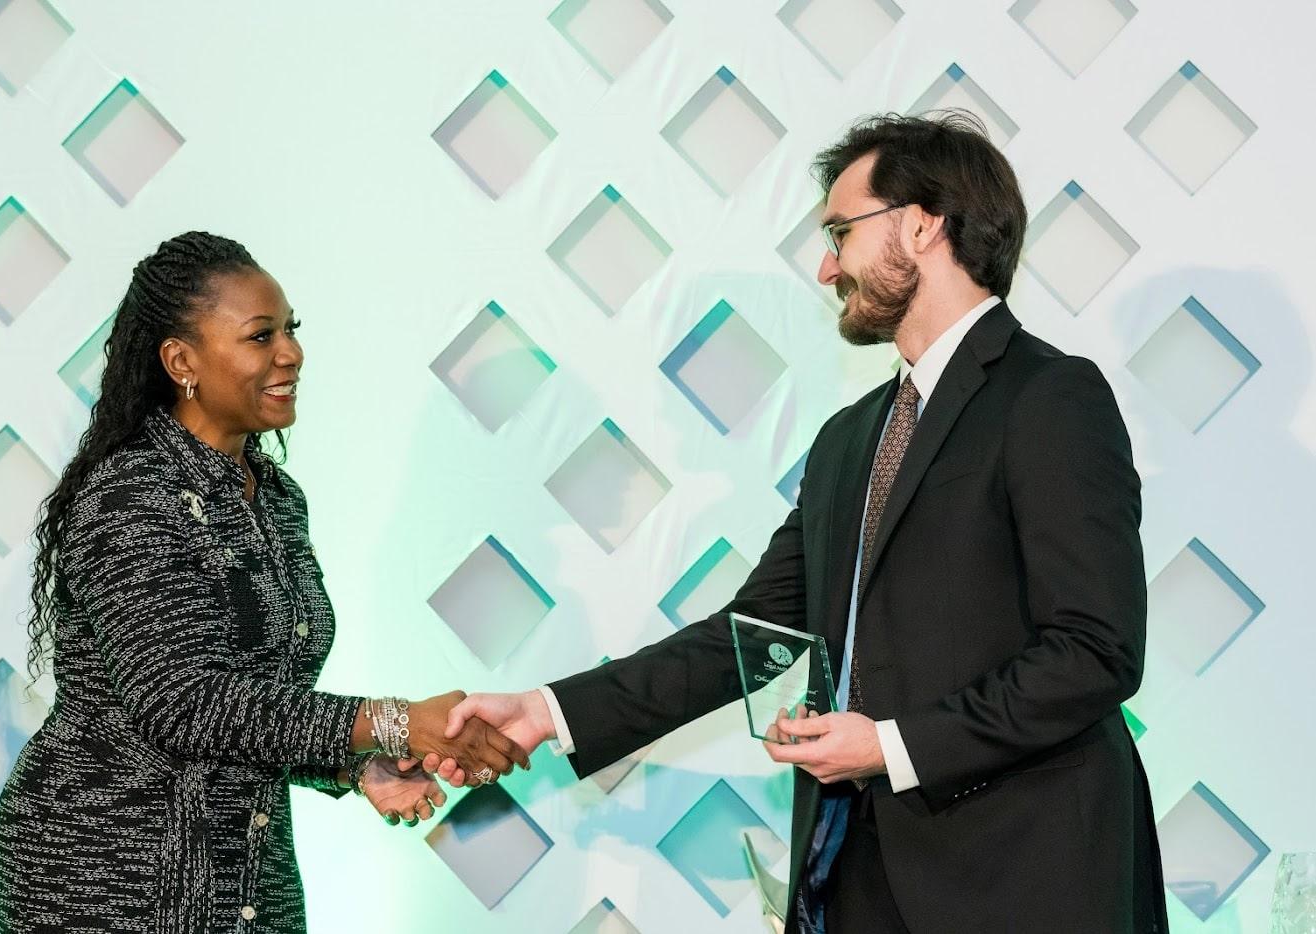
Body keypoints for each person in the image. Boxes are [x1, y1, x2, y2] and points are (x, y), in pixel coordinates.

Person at [443, 113, 1168, 932]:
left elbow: (1094, 651)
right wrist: (547, 712)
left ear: (922, 225)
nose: (826, 266)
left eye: (839, 231)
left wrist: (891, 746)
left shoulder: (1048, 396)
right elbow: (746, 636)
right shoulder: (848, 438)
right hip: (854, 871)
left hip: (1022, 881)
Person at [0, 232, 528, 933]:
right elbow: (182, 702)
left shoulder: (275, 495)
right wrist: (392, 720)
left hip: (244, 877)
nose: (290, 353)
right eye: (259, 336)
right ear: (181, 361)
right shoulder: (129, 496)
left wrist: (352, 767)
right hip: (101, 878)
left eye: (291, 330)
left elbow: (258, 706)